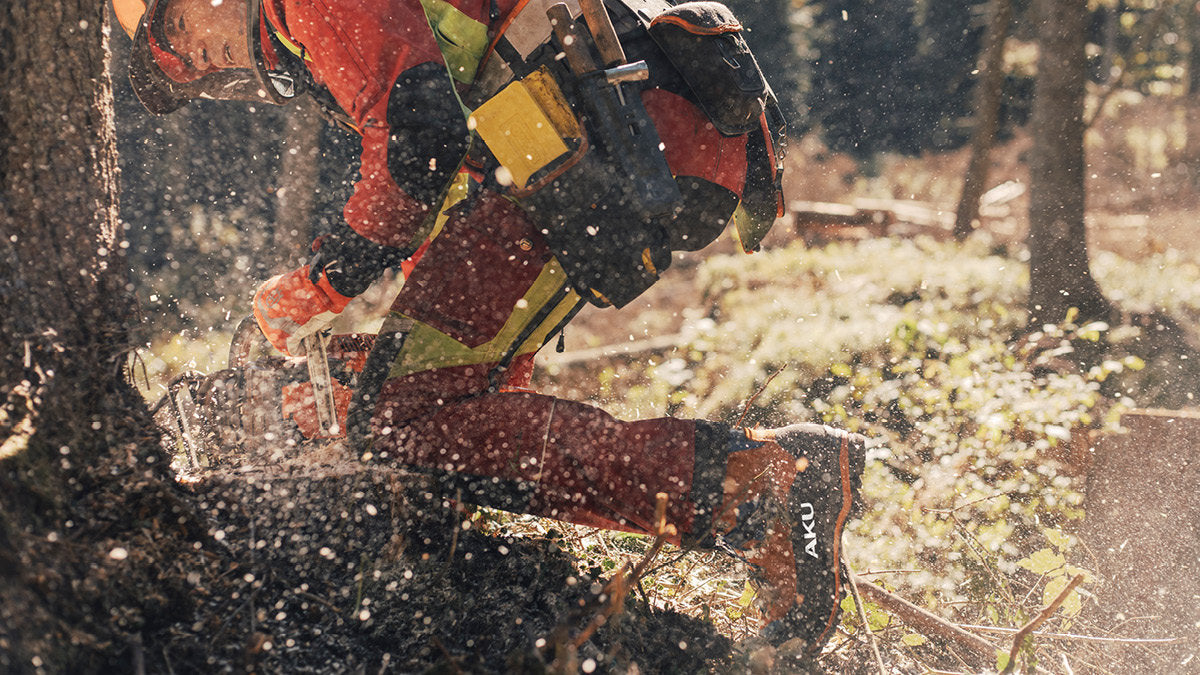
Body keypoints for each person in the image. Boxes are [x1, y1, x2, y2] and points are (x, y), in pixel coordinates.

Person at [115, 0, 868, 654]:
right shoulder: (308, 33)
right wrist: (412, 337)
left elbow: (419, 141)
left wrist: (322, 281)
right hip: (600, 137)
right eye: (187, 66)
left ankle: (761, 485)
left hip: (603, 138)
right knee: (423, 408)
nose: (197, 57)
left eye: (176, 27)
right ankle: (753, 493)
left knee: (403, 419)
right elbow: (447, 168)